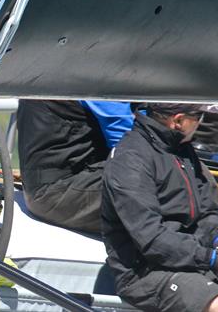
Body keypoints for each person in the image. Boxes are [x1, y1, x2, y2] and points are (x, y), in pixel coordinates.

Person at [102, 102, 218, 312]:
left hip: (195, 261)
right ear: (179, 121)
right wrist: (210, 259)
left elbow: (209, 211)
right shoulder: (130, 159)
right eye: (199, 117)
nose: (201, 123)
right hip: (146, 271)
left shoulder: (184, 151)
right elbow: (152, 240)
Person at [16, 99, 133, 234]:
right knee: (154, 183)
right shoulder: (101, 83)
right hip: (61, 190)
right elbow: (130, 147)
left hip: (50, 186)